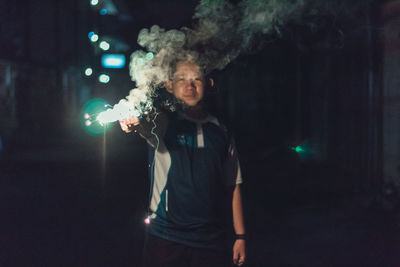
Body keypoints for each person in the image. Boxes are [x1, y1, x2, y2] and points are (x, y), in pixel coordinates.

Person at [120, 53, 246, 267]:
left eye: (196, 79)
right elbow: (141, 123)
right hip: (165, 238)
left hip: (211, 239)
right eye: (181, 79)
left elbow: (232, 184)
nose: (189, 86)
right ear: (169, 85)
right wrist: (131, 121)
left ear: (209, 83)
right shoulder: (162, 122)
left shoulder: (222, 131)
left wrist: (240, 236)